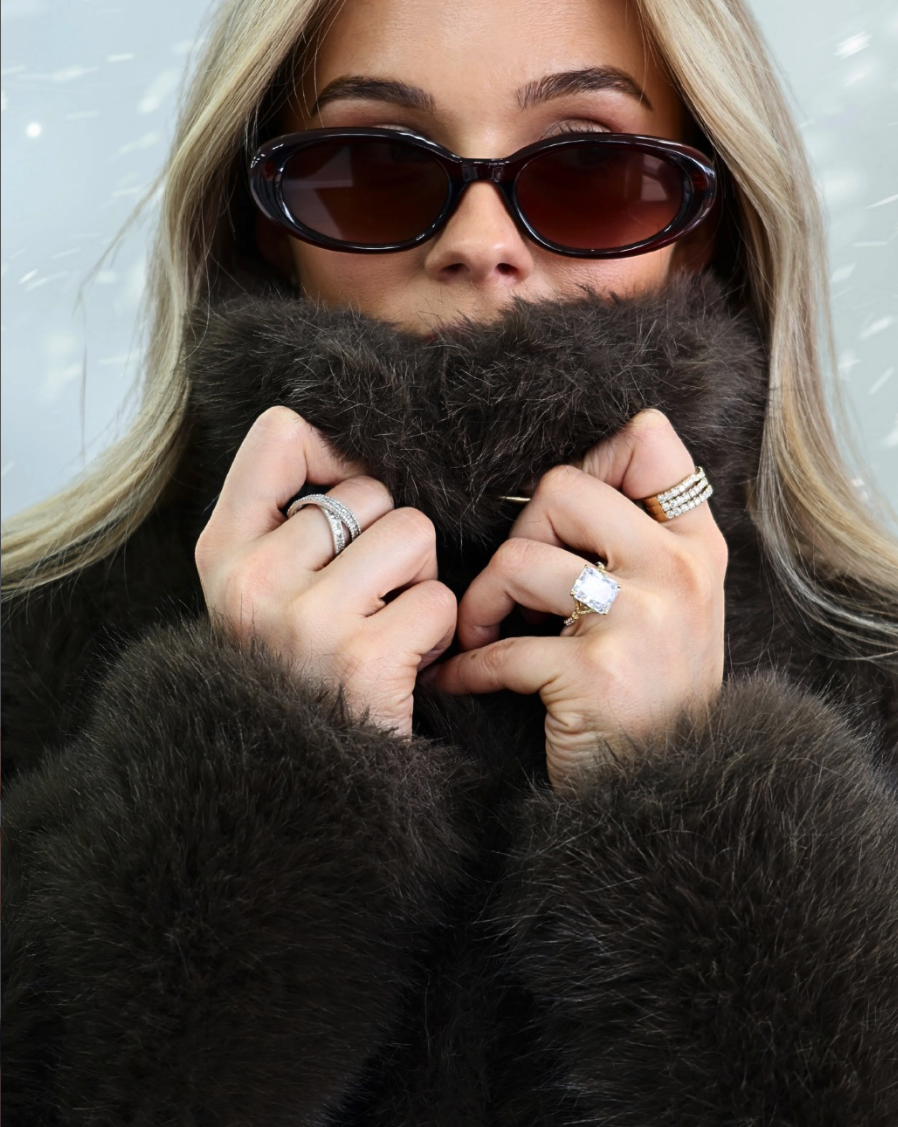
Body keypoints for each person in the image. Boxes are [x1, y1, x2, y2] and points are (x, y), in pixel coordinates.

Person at [3, 0, 897, 1121]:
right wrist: (251, 789)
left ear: (701, 221)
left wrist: (694, 809)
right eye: (370, 167)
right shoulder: (24, 639)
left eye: (591, 167)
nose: (479, 239)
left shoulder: (879, 656)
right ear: (269, 220)